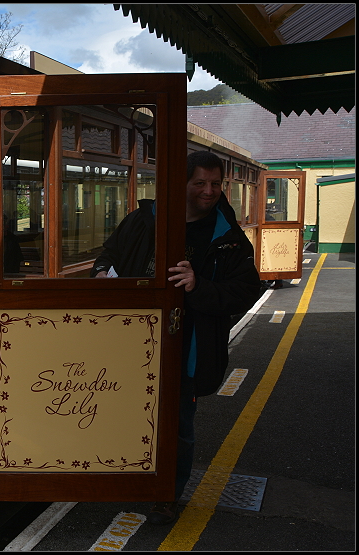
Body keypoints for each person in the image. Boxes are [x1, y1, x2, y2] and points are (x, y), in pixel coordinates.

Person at [92, 150, 262, 525]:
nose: (209, 191)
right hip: (130, 345)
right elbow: (107, 254)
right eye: (199, 182)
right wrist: (102, 273)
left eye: (216, 184)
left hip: (188, 348)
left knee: (178, 425)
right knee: (124, 415)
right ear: (180, 184)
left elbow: (247, 290)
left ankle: (167, 492)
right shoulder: (142, 220)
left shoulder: (227, 236)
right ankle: (125, 477)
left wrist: (198, 286)